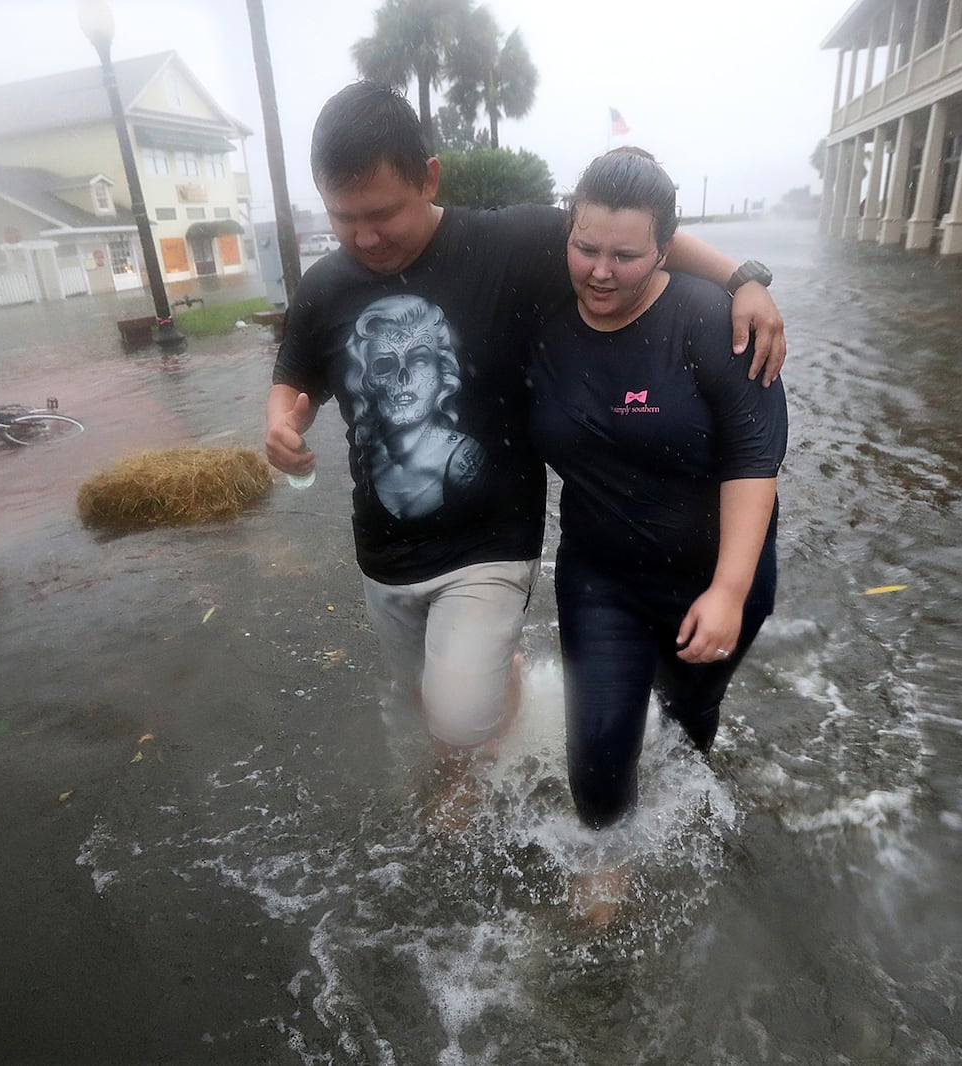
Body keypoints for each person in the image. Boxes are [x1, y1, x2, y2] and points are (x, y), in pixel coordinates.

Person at [265, 82, 785, 769]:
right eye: (342, 217)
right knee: (414, 696)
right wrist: (281, 422)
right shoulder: (327, 284)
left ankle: (491, 704)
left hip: (491, 537)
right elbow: (296, 372)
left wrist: (743, 278)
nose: (364, 237)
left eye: (382, 214)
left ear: (429, 178)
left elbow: (633, 237)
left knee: (460, 714)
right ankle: (463, 736)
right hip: (382, 549)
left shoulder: (511, 242)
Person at [528, 147, 787, 850]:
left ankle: (687, 819)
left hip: (719, 575)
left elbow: (754, 460)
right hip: (601, 575)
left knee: (687, 723)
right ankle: (605, 883)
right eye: (585, 249)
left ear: (666, 248)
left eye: (626, 255)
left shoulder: (717, 322)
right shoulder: (543, 311)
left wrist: (729, 592)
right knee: (601, 748)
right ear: (568, 235)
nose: (601, 271)